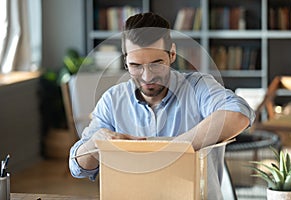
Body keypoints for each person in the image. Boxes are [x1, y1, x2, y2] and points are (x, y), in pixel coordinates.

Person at [69, 12, 255, 199]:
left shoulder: (199, 87)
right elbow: (78, 167)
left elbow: (238, 113)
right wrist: (96, 142)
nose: (147, 77)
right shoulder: (112, 100)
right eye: (136, 66)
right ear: (125, 60)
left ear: (172, 54)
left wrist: (172, 149)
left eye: (157, 64)